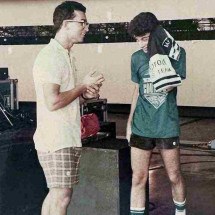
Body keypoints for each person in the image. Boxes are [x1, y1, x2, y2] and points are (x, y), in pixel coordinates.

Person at [33, 1, 104, 215]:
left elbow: (65, 100)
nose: (87, 27)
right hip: (56, 140)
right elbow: (53, 101)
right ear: (66, 24)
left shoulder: (66, 56)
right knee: (61, 198)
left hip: (65, 137)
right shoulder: (51, 57)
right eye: (82, 22)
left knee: (56, 196)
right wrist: (81, 86)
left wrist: (84, 95)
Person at [127, 12, 186, 215]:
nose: (141, 44)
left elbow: (168, 86)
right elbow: (138, 90)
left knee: (174, 175)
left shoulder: (177, 54)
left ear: (157, 34)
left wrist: (159, 55)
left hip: (166, 125)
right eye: (137, 40)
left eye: (145, 38)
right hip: (141, 126)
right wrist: (129, 122)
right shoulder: (136, 58)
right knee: (138, 178)